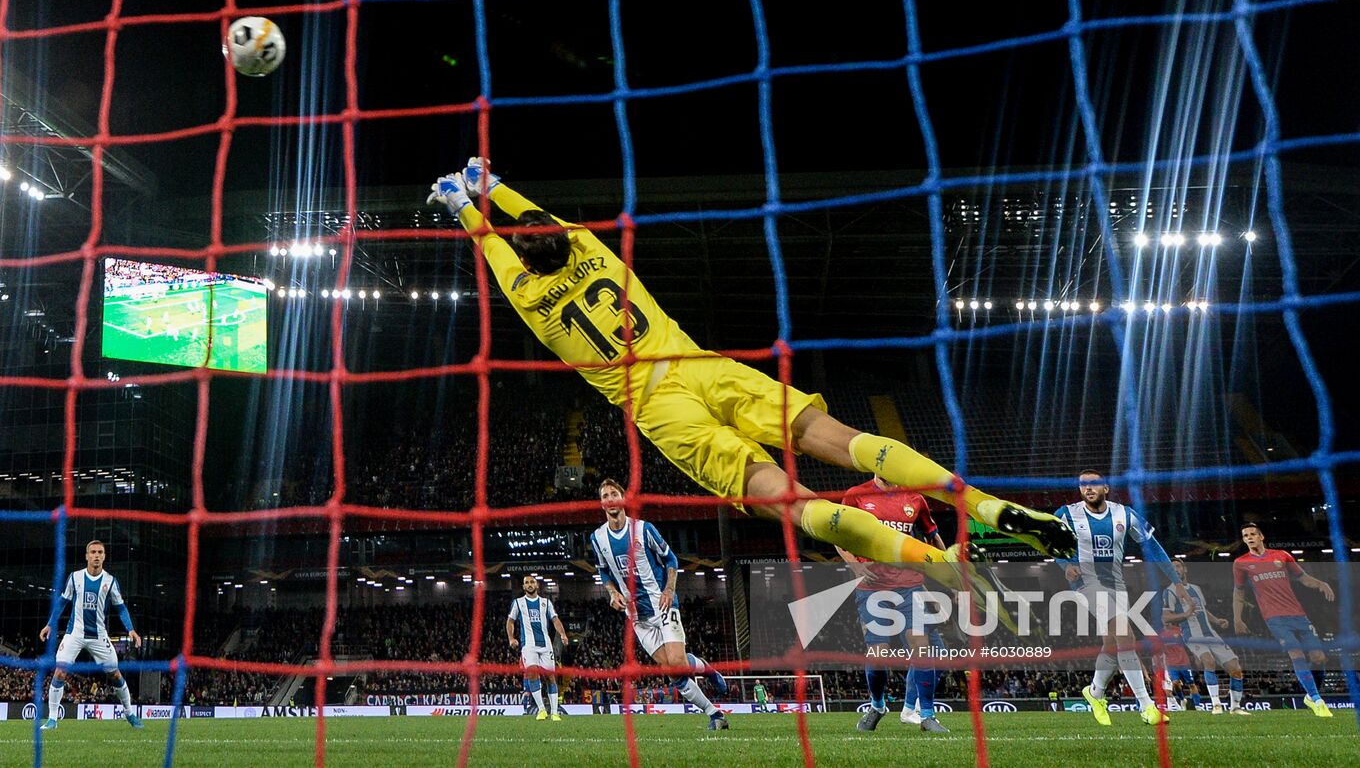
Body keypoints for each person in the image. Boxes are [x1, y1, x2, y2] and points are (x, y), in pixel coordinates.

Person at [424, 162, 1076, 580]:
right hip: (705, 369)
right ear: (567, 237)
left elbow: (493, 246)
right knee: (846, 441)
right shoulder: (595, 252)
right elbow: (535, 225)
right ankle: (986, 506)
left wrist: (461, 203)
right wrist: (490, 184)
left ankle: (938, 565)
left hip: (664, 412)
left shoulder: (534, 303)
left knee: (793, 502)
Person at [590, 479, 730, 730]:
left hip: (662, 605)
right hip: (637, 616)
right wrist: (612, 593)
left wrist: (669, 589)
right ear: (602, 504)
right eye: (605, 495)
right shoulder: (598, 538)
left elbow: (671, 559)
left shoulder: (644, 530)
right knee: (673, 670)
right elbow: (604, 572)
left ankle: (708, 671)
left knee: (676, 662)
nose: (610, 498)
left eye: (614, 493)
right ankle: (715, 714)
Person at [1055, 470, 1188, 727]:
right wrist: (1064, 564)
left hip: (1116, 585)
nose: (1088, 488)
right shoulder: (1066, 513)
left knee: (1112, 645)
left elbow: (1153, 546)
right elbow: (1048, 540)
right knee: (1125, 635)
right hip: (1086, 583)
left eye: (1094, 484)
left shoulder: (1124, 514)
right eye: (1083, 485)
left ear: (1106, 488)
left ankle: (1094, 693)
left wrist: (1176, 580)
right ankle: (1146, 705)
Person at [837, 476, 948, 734]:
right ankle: (877, 705)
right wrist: (854, 564)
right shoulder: (857, 494)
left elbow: (933, 536)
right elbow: (838, 534)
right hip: (873, 587)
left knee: (923, 648)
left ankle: (927, 716)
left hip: (910, 584)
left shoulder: (915, 498)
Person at [1233, 523, 1335, 718]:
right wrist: (1237, 618)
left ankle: (1310, 696)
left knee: (1319, 658)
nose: (1249, 537)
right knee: (1296, 653)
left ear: (1261, 536)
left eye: (1253, 534)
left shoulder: (1282, 555)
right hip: (1274, 618)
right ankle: (1318, 700)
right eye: (1245, 535)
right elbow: (1238, 592)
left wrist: (1320, 583)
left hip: (1298, 614)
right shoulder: (1241, 563)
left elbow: (1303, 578)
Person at [38, 540, 143, 730]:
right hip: (74, 633)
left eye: (100, 552)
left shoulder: (110, 581)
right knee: (60, 670)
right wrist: (50, 625)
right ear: (87, 556)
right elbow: (62, 602)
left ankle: (130, 714)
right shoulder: (75, 578)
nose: (96, 555)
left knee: (115, 674)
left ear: (104, 556)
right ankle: (52, 719)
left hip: (99, 635)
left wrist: (131, 629)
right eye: (93, 552)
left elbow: (120, 608)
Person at [1163, 557, 1247, 715]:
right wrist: (1186, 613)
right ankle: (1216, 705)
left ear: (1185, 569)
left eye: (1178, 566)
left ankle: (1235, 707)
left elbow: (1203, 610)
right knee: (1209, 661)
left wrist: (1217, 621)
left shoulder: (1196, 589)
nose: (1176, 569)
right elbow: (1166, 617)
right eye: (1172, 568)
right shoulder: (1169, 591)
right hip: (1192, 635)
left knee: (1235, 668)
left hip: (1211, 633)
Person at [507, 575, 569, 721]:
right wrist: (511, 638)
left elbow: (555, 620)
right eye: (526, 582)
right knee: (532, 674)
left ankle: (554, 712)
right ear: (523, 587)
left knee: (550, 677)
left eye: (532, 582)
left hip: (546, 645)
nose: (529, 584)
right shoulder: (518, 603)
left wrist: (563, 635)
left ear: (537, 585)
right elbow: (510, 621)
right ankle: (541, 710)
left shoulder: (545, 603)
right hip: (528, 645)